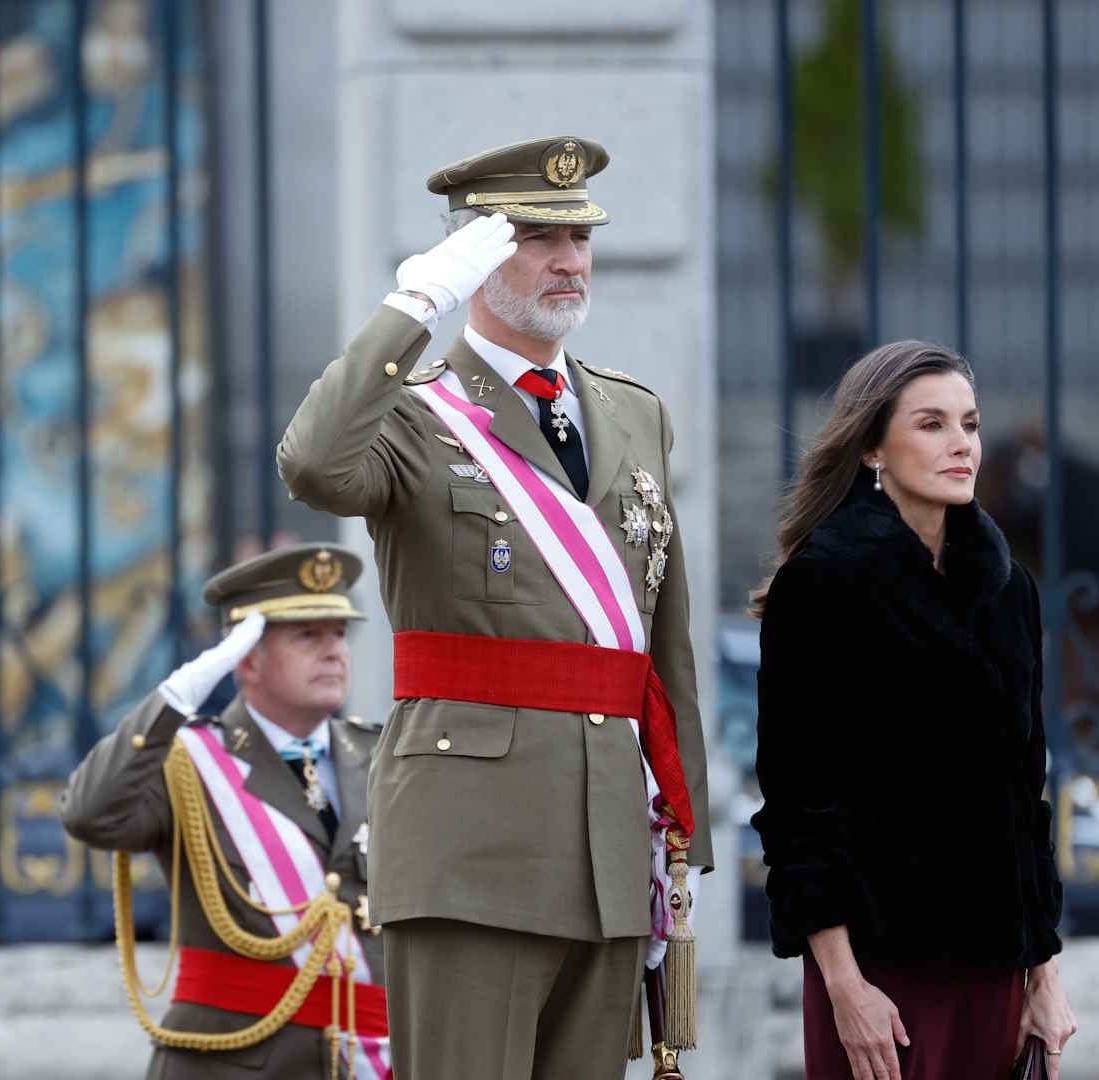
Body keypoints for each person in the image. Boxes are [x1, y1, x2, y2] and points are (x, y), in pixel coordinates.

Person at [278, 135, 713, 1079]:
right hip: (468, 848)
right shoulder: (410, 414)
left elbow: (660, 642)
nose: (569, 260)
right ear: (474, 255)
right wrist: (415, 305)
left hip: (608, 846)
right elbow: (312, 464)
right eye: (536, 238)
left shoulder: (634, 413)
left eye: (580, 238)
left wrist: (685, 836)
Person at [747, 342, 1078, 1080]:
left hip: (996, 975)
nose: (962, 444)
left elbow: (1024, 800)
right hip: (879, 978)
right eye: (932, 424)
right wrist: (844, 986)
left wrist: (1044, 976)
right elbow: (799, 808)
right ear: (872, 448)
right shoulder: (823, 584)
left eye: (970, 423)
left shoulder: (1009, 590)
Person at [59, 543, 391, 1079]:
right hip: (234, 1064)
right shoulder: (188, 762)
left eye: (339, 634)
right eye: (308, 636)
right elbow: (89, 813)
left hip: (367, 1061)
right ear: (247, 659)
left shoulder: (377, 756)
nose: (334, 652)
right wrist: (178, 696)